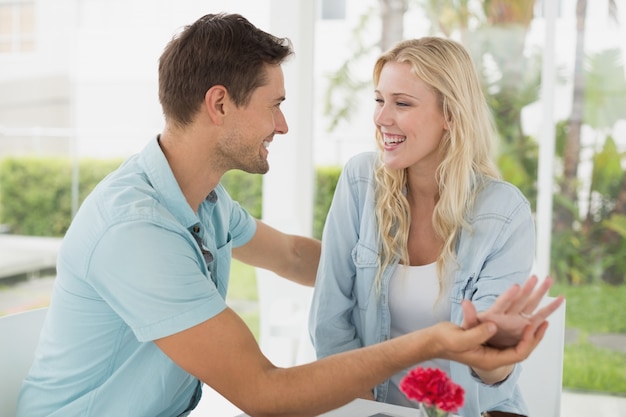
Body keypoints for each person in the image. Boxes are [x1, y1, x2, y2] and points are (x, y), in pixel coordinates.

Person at [18, 15, 555, 417]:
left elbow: (295, 255)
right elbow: (264, 392)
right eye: (273, 104)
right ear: (220, 104)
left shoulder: (201, 202)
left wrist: (366, 275)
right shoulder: (135, 231)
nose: (283, 125)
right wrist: (430, 341)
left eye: (403, 103)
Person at [309, 36, 564, 417]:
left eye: (402, 103)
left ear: (451, 115)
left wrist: (497, 351)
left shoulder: (503, 212)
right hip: (368, 405)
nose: (381, 118)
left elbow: (490, 375)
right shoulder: (361, 181)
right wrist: (367, 408)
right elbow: (330, 321)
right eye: (379, 100)